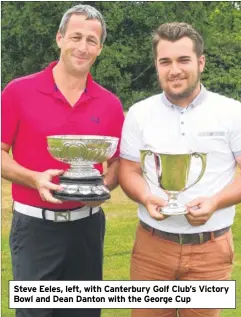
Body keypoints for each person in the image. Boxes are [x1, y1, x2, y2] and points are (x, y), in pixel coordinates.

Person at [119, 22, 241, 317]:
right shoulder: (140, 113)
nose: (174, 70)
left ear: (201, 62)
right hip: (152, 248)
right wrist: (145, 197)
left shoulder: (231, 113)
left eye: (183, 60)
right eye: (165, 61)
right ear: (156, 65)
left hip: (210, 249)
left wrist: (216, 202)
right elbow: (128, 171)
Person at [1, 4, 124, 317]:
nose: (83, 47)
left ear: (100, 48)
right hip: (35, 228)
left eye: (92, 41)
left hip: (87, 227)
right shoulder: (18, 91)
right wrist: (34, 178)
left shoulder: (110, 105)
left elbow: (117, 164)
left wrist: (101, 186)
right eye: (76, 37)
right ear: (60, 38)